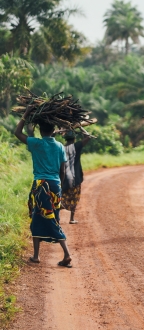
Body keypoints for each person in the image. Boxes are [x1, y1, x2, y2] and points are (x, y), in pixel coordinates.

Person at [14, 106, 73, 267]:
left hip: (41, 186)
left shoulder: (36, 144)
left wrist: (26, 114)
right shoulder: (60, 146)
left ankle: (67, 254)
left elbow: (17, 133)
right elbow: (62, 170)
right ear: (54, 129)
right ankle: (35, 256)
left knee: (48, 219)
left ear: (40, 130)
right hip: (55, 185)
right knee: (39, 218)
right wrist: (59, 187)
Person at [62, 130, 90, 224]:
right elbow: (87, 137)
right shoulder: (76, 146)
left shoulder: (61, 148)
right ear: (74, 138)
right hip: (75, 177)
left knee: (63, 196)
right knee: (74, 197)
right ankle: (71, 218)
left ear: (65, 138)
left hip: (63, 177)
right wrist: (81, 127)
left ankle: (57, 216)